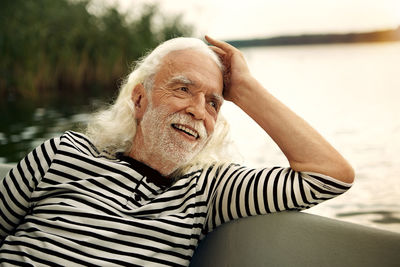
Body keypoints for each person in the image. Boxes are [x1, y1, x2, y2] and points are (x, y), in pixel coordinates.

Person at [0, 36, 354, 266]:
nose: (199, 111)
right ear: (140, 100)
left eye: (213, 102)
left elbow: (329, 175)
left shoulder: (207, 191)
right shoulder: (63, 153)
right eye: (183, 89)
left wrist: (245, 89)